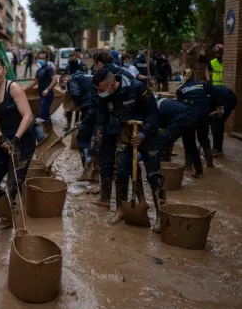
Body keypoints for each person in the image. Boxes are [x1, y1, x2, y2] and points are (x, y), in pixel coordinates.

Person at [90, 69, 165, 232]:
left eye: (101, 89)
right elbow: (100, 123)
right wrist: (95, 149)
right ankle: (121, 210)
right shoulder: (105, 97)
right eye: (97, 90)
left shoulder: (137, 87)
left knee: (154, 175)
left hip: (146, 134)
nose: (99, 93)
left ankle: (161, 216)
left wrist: (144, 135)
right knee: (121, 173)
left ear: (111, 84)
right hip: (123, 135)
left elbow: (154, 113)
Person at [0, 55, 34, 230]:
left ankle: (21, 229)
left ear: (4, 69)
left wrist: (16, 139)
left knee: (13, 186)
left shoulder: (13, 88)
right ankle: (6, 220)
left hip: (23, 139)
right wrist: (3, 139)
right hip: (5, 141)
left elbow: (28, 116)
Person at [176, 69, 218, 168]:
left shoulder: (180, 89)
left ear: (183, 76)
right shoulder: (203, 84)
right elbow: (214, 94)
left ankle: (189, 166)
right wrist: (214, 108)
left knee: (189, 140)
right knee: (204, 139)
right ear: (194, 76)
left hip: (190, 116)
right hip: (204, 115)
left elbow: (180, 106)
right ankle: (210, 164)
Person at [156, 98, 203, 178]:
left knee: (161, 143)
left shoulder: (154, 110)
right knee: (191, 145)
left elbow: (156, 127)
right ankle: (199, 171)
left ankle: (162, 174)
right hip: (192, 115)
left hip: (181, 118)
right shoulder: (165, 102)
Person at [24, 51, 57, 132]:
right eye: (40, 58)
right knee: (45, 112)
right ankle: (49, 129)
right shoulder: (39, 70)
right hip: (42, 94)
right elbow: (35, 81)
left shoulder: (48, 68)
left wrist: (48, 89)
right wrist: (25, 89)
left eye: (43, 58)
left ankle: (45, 130)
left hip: (47, 94)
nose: (41, 60)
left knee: (43, 112)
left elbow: (55, 79)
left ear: (46, 59)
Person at [210, 86, 238, 157]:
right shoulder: (200, 88)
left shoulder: (198, 94)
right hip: (229, 97)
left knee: (216, 121)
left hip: (224, 99)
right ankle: (217, 148)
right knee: (218, 121)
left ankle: (217, 149)